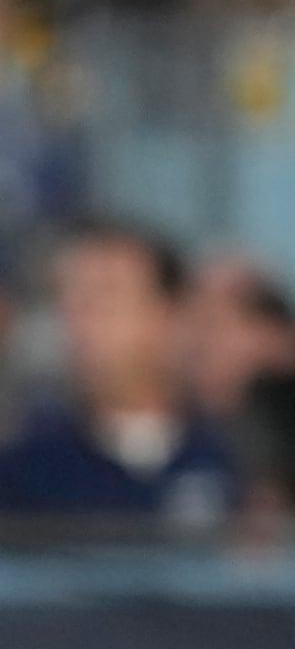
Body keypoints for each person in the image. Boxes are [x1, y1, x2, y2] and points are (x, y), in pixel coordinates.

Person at [0, 222, 237, 526]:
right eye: (69, 300)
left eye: (107, 296)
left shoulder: (233, 457)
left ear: (166, 315)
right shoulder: (25, 468)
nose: (81, 321)